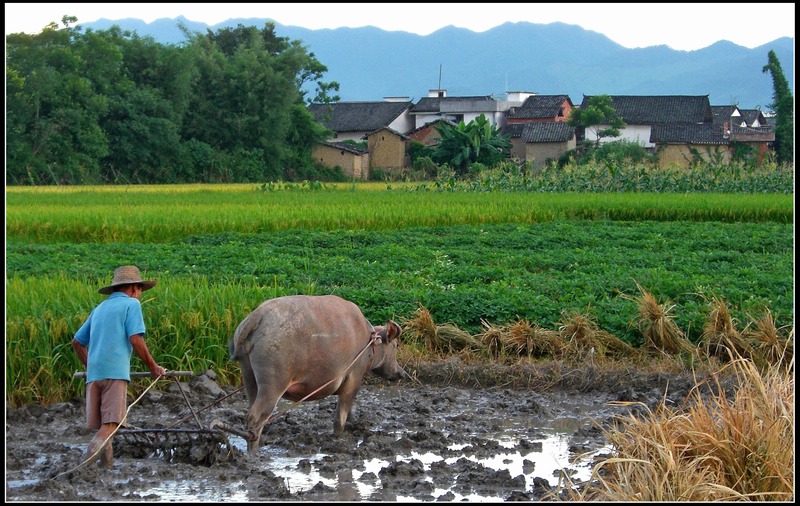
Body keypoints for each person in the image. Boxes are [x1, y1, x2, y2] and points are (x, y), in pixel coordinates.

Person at [72, 265, 166, 469]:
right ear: (133, 288)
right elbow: (135, 339)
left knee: (106, 431)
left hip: (94, 376)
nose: (140, 295)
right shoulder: (132, 306)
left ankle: (107, 471)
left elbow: (77, 342)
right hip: (115, 374)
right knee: (110, 426)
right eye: (140, 290)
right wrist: (153, 367)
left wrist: (90, 366)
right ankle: (82, 470)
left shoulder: (99, 309)